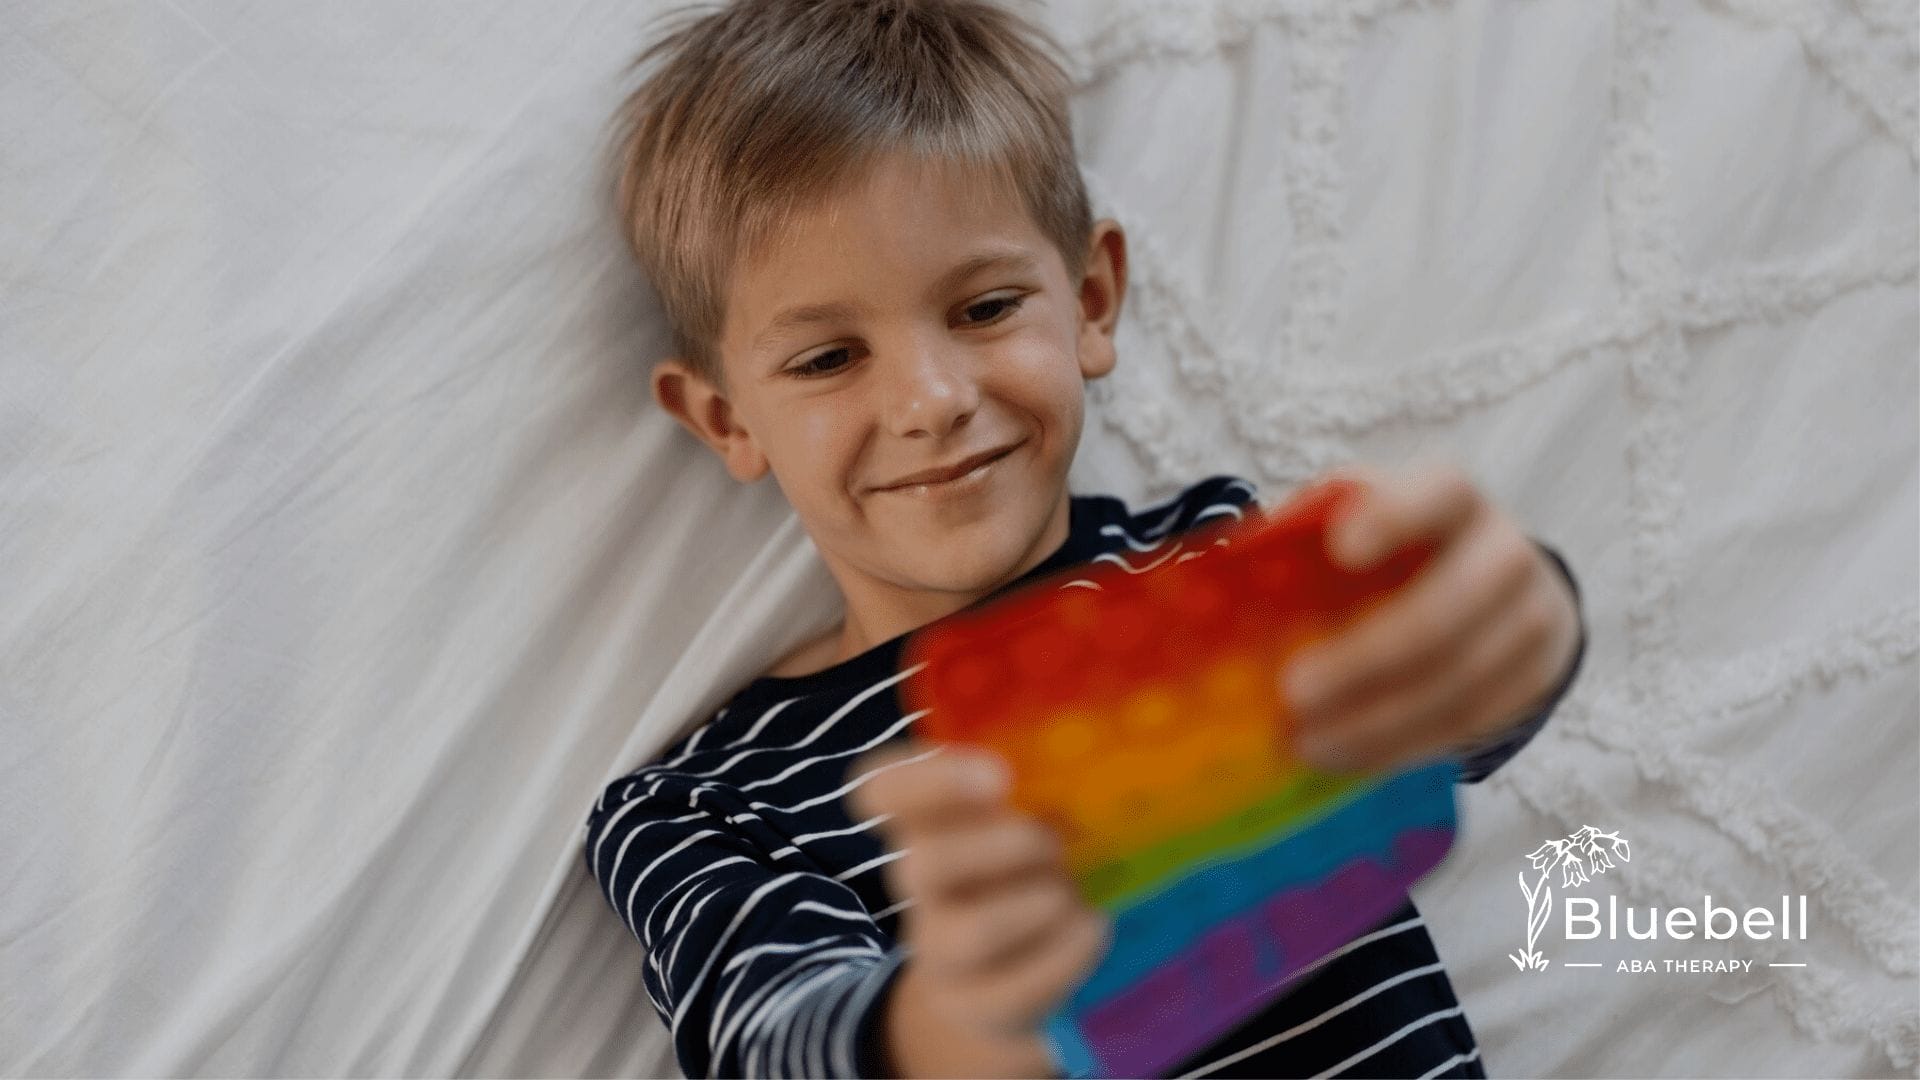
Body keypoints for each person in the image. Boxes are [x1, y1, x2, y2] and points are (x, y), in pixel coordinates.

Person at [583, 1, 1589, 1075]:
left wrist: (1525, 620)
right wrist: (958, 1027)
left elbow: (1440, 722)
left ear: (1093, 298)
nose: (929, 400)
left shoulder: (1218, 572)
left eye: (983, 309)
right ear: (727, 419)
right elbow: (771, 1045)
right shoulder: (709, 807)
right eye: (828, 359)